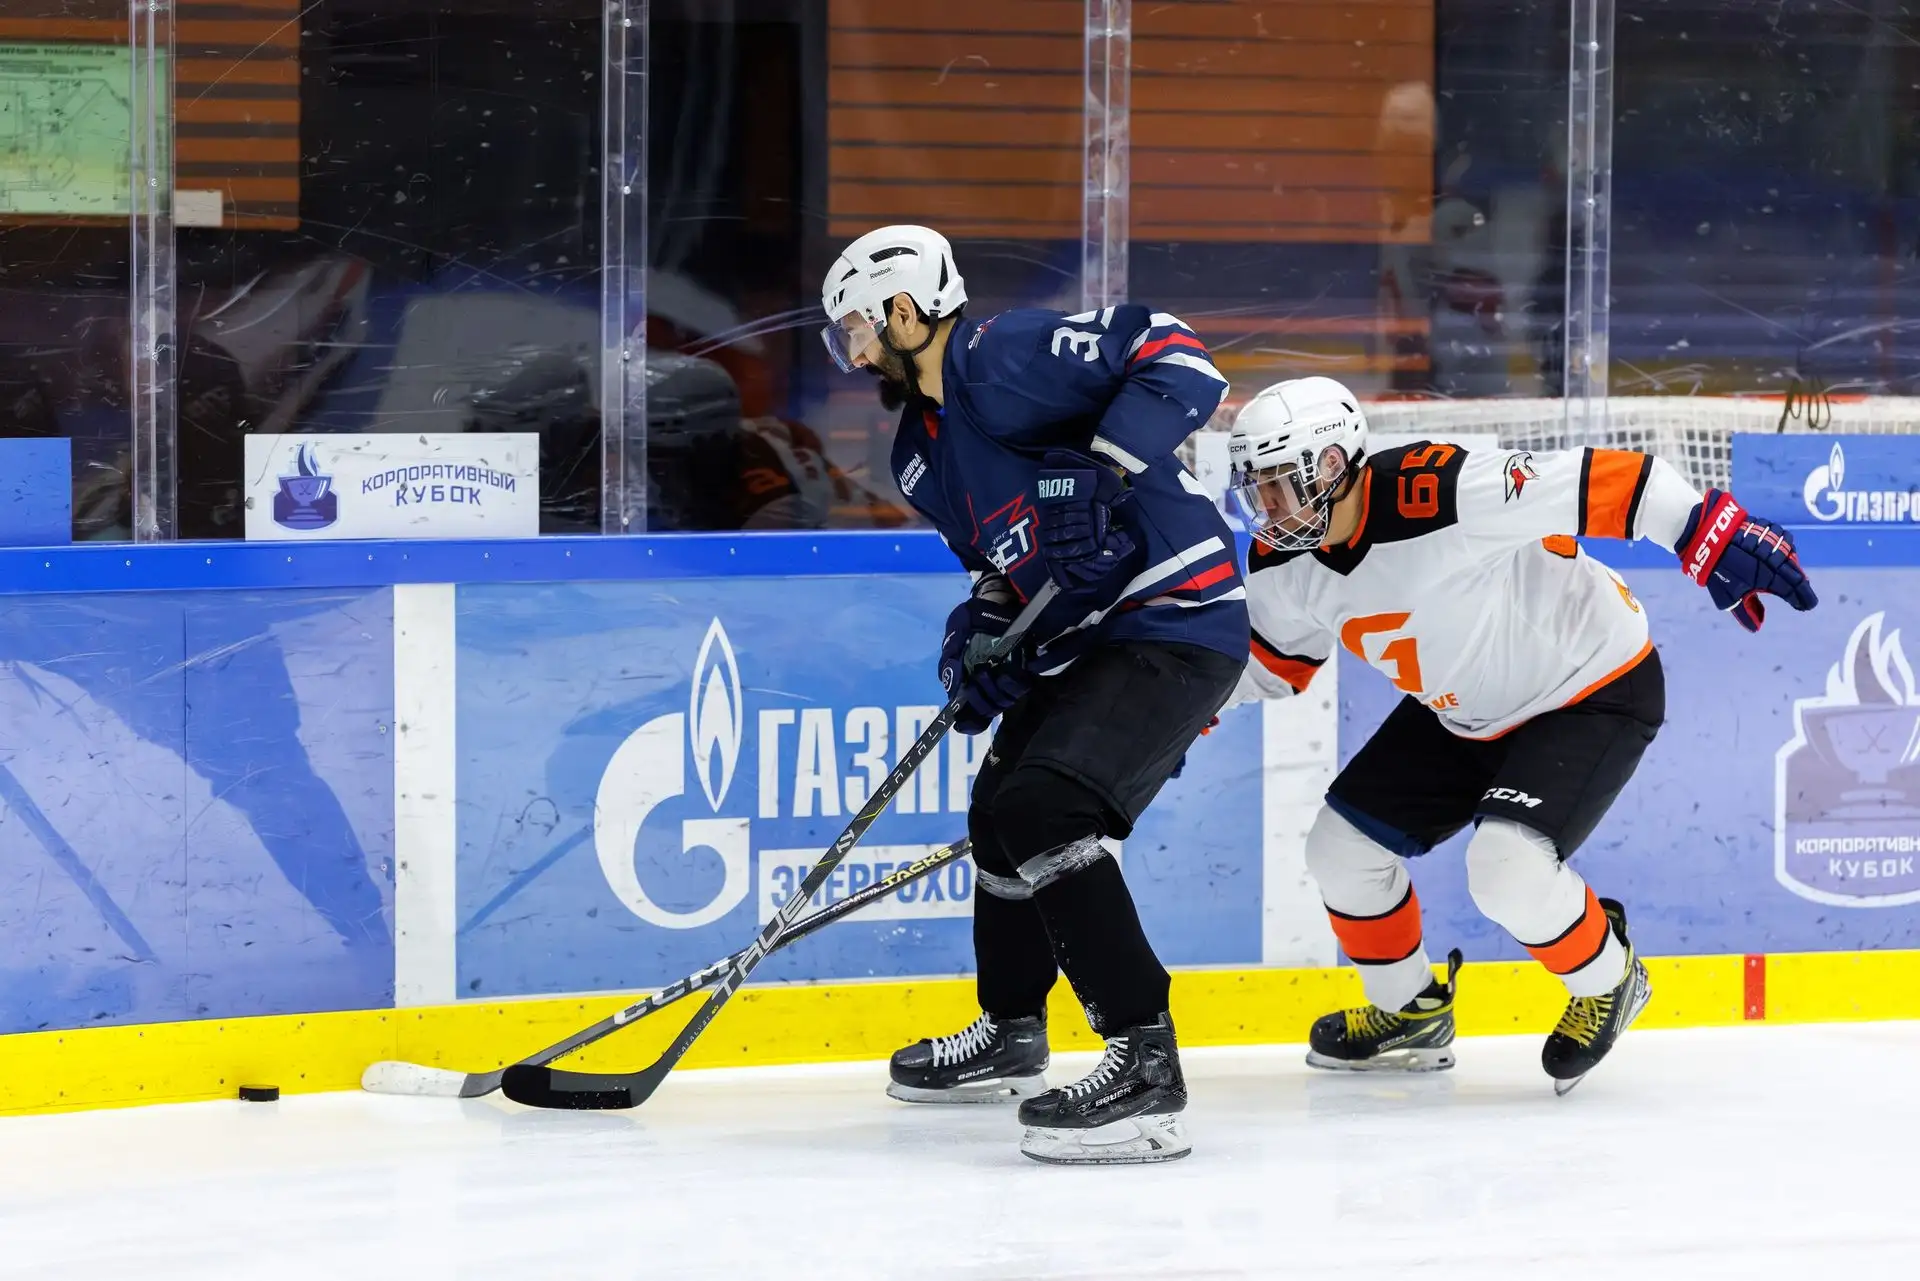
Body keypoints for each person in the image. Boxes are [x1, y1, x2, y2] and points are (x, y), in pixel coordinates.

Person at [1223, 376, 1817, 1093]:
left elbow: (1601, 479)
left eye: (1279, 484)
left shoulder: (1439, 489)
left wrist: (1702, 528)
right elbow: (1274, 665)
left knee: (1506, 868)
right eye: (1256, 487)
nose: (1267, 507)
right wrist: (1174, 708)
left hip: (1589, 686)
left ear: (1332, 464)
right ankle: (1410, 1012)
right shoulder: (1281, 564)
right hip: (1466, 712)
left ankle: (1609, 979)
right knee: (1339, 851)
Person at [819, 225, 1249, 1163]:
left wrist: (1102, 465)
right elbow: (1000, 573)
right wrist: (981, 642)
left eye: (854, 327)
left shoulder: (1005, 353)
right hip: (1092, 641)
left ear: (903, 311)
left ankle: (1145, 1061)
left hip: (1176, 617)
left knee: (1045, 808)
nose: (852, 352)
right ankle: (1013, 1029)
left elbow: (1182, 359)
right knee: (996, 816)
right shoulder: (919, 452)